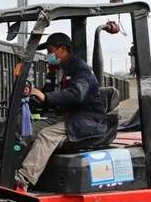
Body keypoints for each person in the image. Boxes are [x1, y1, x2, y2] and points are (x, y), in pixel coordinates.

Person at [15, 32, 107, 189]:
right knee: (28, 131)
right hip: (67, 117)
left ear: (63, 49)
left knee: (46, 135)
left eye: (51, 51)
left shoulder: (80, 69)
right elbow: (48, 95)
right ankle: (14, 168)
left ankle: (23, 180)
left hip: (86, 120)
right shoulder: (56, 70)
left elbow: (76, 94)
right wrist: (32, 95)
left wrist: (45, 96)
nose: (48, 55)